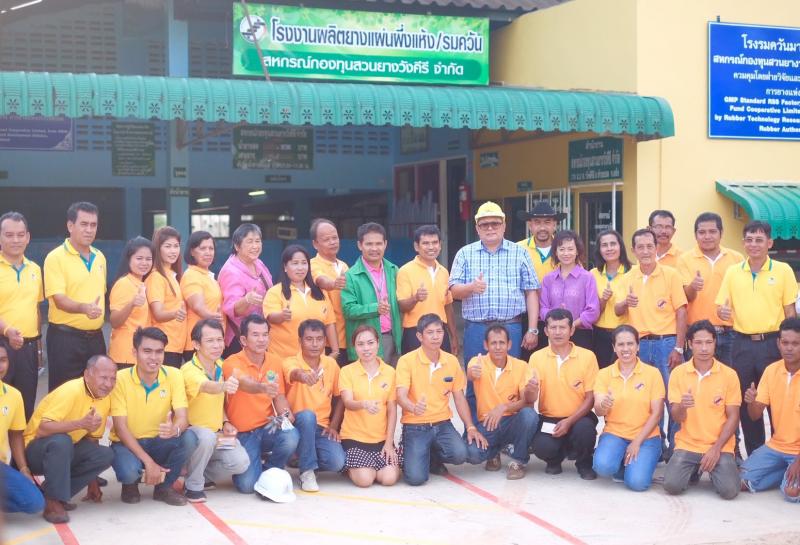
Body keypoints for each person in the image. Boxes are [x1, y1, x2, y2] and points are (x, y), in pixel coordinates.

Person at [716, 221, 797, 456]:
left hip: (773, 344)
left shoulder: (783, 270)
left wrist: (790, 344)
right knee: (747, 401)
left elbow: (790, 311)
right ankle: (756, 456)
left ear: (769, 243)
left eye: (759, 240)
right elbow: (721, 307)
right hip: (741, 344)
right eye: (749, 240)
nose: (754, 244)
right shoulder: (733, 272)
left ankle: (783, 451)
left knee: (778, 399)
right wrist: (722, 313)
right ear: (743, 243)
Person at [450, 201, 539, 415]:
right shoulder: (465, 253)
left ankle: (509, 429)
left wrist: (532, 329)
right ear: (477, 228)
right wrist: (471, 288)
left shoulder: (520, 253)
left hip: (511, 327)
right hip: (477, 328)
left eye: (495, 223)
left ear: (504, 226)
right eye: (484, 224)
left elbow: (531, 292)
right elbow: (453, 291)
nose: (490, 228)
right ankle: (474, 429)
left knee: (512, 382)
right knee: (475, 380)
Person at [396, 314, 487, 486]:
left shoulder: (451, 361)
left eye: (439, 331)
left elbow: (459, 398)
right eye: (430, 332)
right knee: (416, 479)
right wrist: (413, 407)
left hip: (442, 423)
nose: (436, 336)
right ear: (419, 336)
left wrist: (470, 426)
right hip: (415, 425)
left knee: (460, 454)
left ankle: (432, 455)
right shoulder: (406, 361)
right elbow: (400, 396)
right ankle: (415, 451)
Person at [25, 354, 116, 522]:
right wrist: (80, 423)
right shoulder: (71, 390)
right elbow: (42, 429)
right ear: (87, 375)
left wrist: (92, 482)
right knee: (62, 441)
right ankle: (52, 502)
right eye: (103, 377)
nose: (108, 384)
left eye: (113, 379)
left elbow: (91, 439)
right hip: (34, 452)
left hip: (64, 452)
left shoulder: (104, 397)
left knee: (105, 454)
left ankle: (53, 492)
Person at [110, 327, 191, 506]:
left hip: (158, 441)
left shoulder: (174, 375)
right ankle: (130, 484)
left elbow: (183, 417)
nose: (154, 357)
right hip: (127, 443)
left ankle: (164, 487)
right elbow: (121, 428)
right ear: (134, 352)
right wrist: (149, 463)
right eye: (147, 351)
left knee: (189, 438)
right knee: (129, 471)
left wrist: (174, 429)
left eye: (159, 351)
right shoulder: (120, 378)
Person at [222, 315, 299, 494]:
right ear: (243, 340)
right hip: (241, 433)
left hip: (267, 426)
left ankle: (271, 470)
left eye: (265, 335)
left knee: (291, 435)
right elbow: (244, 383)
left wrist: (286, 414)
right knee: (247, 486)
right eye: (255, 335)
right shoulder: (231, 362)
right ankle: (256, 467)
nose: (261, 339)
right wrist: (263, 387)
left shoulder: (275, 361)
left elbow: (279, 395)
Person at [663, 320, 740, 500]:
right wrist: (683, 406)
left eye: (708, 342)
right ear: (690, 344)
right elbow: (676, 417)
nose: (704, 348)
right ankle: (696, 469)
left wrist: (716, 449)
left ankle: (712, 469)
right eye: (698, 342)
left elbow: (733, 417)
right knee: (672, 486)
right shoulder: (678, 373)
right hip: (688, 443)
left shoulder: (729, 375)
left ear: (715, 343)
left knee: (729, 491)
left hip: (719, 445)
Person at [614, 228, 687, 413]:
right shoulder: (627, 277)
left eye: (649, 246)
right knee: (646, 398)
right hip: (640, 345)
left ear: (656, 248)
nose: (645, 251)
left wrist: (679, 348)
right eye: (640, 247)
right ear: (633, 250)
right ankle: (655, 433)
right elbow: (617, 310)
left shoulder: (671, 275)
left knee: (673, 396)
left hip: (667, 343)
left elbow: (681, 311)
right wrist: (626, 302)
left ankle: (675, 433)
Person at [180, 319, 249, 503]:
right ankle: (193, 487)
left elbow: (219, 403)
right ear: (196, 344)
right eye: (210, 341)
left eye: (219, 340)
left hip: (217, 435)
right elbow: (206, 386)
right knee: (206, 437)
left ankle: (198, 474)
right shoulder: (188, 370)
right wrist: (224, 386)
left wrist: (225, 421)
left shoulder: (221, 365)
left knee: (241, 462)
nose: (217, 345)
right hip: (191, 436)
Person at [529, 309, 599, 479]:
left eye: (562, 327)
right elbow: (530, 398)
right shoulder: (536, 358)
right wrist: (529, 391)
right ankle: (555, 459)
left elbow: (590, 398)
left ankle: (584, 462)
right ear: (546, 331)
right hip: (549, 418)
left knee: (585, 431)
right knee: (542, 447)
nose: (558, 332)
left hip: (579, 417)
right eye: (553, 327)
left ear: (572, 330)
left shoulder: (587, 356)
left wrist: (569, 421)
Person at [592, 325, 664, 491]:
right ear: (614, 347)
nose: (626, 349)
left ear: (638, 346)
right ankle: (623, 461)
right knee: (603, 467)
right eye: (621, 344)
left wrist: (636, 442)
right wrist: (603, 405)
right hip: (615, 434)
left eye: (630, 344)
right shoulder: (604, 374)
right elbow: (599, 411)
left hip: (646, 437)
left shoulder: (653, 374)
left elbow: (657, 413)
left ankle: (641, 461)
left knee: (637, 483)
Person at [43, 201, 107, 391]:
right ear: (70, 226)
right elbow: (59, 300)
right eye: (84, 224)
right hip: (65, 339)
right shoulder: (55, 258)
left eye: (93, 225)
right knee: (64, 393)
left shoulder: (100, 257)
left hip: (96, 339)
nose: (89, 230)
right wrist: (84, 308)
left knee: (96, 391)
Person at [465, 324, 539, 480]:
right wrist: (472, 373)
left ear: (509, 345)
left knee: (529, 415)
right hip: (487, 423)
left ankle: (518, 461)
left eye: (502, 343)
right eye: (493, 343)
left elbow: (528, 402)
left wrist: (504, 407)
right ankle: (494, 452)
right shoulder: (477, 361)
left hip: (512, 421)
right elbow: (471, 373)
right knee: (472, 454)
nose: (498, 347)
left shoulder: (521, 366)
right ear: (486, 345)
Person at [741, 317, 800, 502]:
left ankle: (788, 477)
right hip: (776, 446)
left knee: (791, 493)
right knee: (739, 481)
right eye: (785, 343)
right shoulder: (771, 371)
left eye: (795, 344)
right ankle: (784, 472)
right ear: (778, 343)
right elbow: (754, 415)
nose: (789, 348)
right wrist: (751, 402)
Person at [283, 319, 346, 492]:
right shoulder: (290, 362)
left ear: (325, 341)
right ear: (300, 341)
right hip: (297, 425)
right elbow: (294, 373)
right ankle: (307, 471)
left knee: (337, 462)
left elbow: (340, 397)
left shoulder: (331, 364)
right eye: (309, 339)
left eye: (319, 339)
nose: (315, 344)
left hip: (321, 428)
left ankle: (302, 456)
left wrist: (334, 426)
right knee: (308, 416)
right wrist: (304, 376)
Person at [338, 325, 400, 488]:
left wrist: (389, 442)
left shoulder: (390, 372)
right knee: (365, 480)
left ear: (378, 343)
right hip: (354, 438)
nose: (366, 348)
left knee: (389, 479)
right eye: (360, 344)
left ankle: (370, 466)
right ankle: (351, 468)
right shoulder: (346, 371)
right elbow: (348, 402)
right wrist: (363, 404)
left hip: (381, 439)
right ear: (354, 347)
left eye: (370, 343)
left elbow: (392, 410)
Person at [677, 212, 743, 365]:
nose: (707, 236)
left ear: (721, 233)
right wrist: (693, 286)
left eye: (712, 231)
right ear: (695, 235)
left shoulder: (737, 258)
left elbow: (743, 295)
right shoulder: (685, 260)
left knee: (730, 376)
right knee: (697, 376)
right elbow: (686, 297)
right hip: (697, 334)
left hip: (731, 333)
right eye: (702, 232)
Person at [0, 211, 43, 419]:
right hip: (2, 345)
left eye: (20, 235)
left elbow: (36, 309)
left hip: (28, 348)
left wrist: (39, 349)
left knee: (25, 407)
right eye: (9, 235)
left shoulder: (35, 269)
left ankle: (21, 442)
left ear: (28, 237)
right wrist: (8, 331)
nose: (15, 240)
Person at [341, 223, 402, 366]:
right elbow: (348, 309)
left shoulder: (393, 270)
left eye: (378, 244)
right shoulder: (350, 276)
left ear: (385, 244)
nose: (374, 248)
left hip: (394, 338)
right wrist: (375, 308)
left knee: (391, 379)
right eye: (369, 244)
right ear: (359, 245)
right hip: (366, 343)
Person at [264, 245, 337, 361]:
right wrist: (282, 316)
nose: (300, 268)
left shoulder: (320, 292)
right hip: (283, 361)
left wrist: (335, 351)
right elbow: (271, 317)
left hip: (316, 363)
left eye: (304, 263)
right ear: (285, 267)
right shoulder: (274, 292)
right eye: (295, 263)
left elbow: (329, 323)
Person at [396, 225, 459, 355]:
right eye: (425, 243)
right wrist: (415, 298)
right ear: (416, 246)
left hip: (440, 331)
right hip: (415, 332)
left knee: (442, 368)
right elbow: (402, 306)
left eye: (434, 242)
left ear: (440, 245)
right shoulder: (405, 271)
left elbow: (448, 307)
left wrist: (453, 336)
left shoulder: (444, 272)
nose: (431, 247)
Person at [0, 339, 44, 517]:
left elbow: (16, 435)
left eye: (3, 360)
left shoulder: (14, 395)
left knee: (35, 502)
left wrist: (24, 469)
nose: (0, 366)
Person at [218, 223, 273, 358]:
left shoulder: (258, 263)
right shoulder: (231, 271)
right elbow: (232, 309)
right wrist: (247, 300)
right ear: (237, 246)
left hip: (260, 333)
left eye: (257, 241)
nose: (255, 246)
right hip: (240, 339)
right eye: (249, 242)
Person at [539, 230, 599, 350]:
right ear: (555, 252)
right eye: (561, 249)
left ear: (577, 251)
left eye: (570, 249)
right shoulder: (548, 279)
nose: (566, 253)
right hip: (555, 334)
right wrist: (556, 324)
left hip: (580, 334)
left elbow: (593, 310)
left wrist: (571, 325)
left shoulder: (587, 277)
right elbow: (543, 308)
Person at [517, 201, 565, 349]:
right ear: (530, 225)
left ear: (555, 225)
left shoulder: (565, 249)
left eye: (547, 222)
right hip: (526, 318)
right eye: (537, 222)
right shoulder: (518, 249)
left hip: (559, 318)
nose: (542, 227)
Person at [589, 229, 631, 368]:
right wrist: (603, 299)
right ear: (599, 250)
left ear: (620, 246)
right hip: (600, 334)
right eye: (604, 245)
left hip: (626, 334)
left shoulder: (633, 272)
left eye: (613, 244)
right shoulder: (592, 274)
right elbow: (593, 311)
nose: (609, 248)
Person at [146, 226, 188, 368]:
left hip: (176, 345)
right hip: (164, 346)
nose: (173, 251)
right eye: (168, 246)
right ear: (158, 248)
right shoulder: (156, 277)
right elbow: (158, 314)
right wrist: (175, 314)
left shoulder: (171, 274)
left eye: (176, 246)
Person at [109, 237, 153, 368]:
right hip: (125, 355)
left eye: (148, 259)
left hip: (138, 353)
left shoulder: (141, 284)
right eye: (139, 258)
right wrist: (132, 303)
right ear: (129, 259)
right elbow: (114, 321)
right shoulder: (124, 284)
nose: (144, 263)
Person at [310, 218, 349, 366]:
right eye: (326, 239)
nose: (332, 242)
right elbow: (321, 280)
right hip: (328, 341)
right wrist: (333, 284)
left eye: (335, 238)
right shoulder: (312, 264)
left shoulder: (344, 266)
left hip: (348, 337)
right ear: (315, 244)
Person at [181, 231, 224, 361]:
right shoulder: (191, 275)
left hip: (211, 341)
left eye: (211, 248)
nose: (208, 252)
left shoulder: (207, 275)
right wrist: (214, 317)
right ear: (192, 252)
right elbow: (197, 306)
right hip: (198, 343)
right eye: (203, 248)